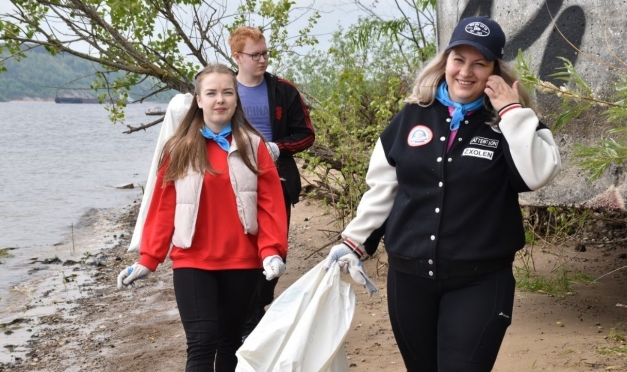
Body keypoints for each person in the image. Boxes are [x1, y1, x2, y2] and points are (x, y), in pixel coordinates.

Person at [324, 16, 561, 372]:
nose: (466, 72)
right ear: (445, 61)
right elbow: (384, 189)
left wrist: (512, 112)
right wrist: (353, 242)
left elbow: (537, 174)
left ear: (495, 71)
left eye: (479, 63)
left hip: (480, 280)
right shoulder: (409, 118)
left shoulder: (511, 124)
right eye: (458, 59)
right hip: (409, 280)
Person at [116, 64, 288, 372]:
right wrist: (149, 258)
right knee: (201, 342)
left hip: (242, 261)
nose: (219, 99)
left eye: (226, 92)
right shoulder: (178, 148)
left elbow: (270, 204)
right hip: (192, 261)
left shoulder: (254, 146)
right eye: (211, 93)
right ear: (198, 100)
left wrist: (272, 250)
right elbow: (163, 206)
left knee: (230, 343)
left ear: (236, 99)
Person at [227, 26, 316, 338]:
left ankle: (259, 305)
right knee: (240, 250)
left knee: (275, 250)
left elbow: (307, 133)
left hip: (276, 182)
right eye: (255, 55)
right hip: (232, 185)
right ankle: (245, 316)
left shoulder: (283, 90)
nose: (263, 59)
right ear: (237, 56)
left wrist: (279, 148)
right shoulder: (225, 91)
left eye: (265, 52)